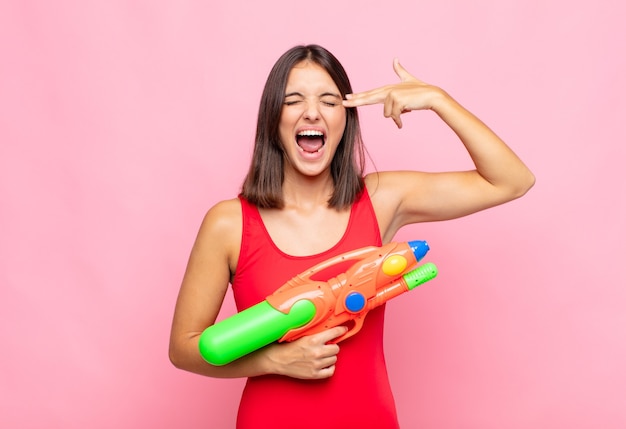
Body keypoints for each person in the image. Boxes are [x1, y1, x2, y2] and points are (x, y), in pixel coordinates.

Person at [168, 44, 534, 428]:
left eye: (329, 101)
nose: (312, 111)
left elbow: (511, 181)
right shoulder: (229, 223)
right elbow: (184, 348)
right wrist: (275, 361)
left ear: (346, 119)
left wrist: (438, 101)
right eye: (294, 100)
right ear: (272, 118)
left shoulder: (379, 201)